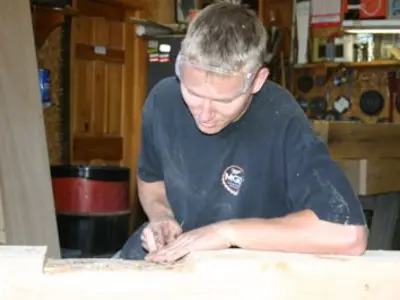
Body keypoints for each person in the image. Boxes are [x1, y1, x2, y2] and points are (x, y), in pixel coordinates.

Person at [117, 1, 368, 263]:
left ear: (257, 81)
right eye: (192, 93)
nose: (204, 115)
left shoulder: (280, 117)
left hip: (246, 268)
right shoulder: (163, 100)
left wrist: (225, 233)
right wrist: (161, 216)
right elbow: (151, 178)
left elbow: (347, 234)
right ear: (180, 65)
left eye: (223, 101)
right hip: (173, 259)